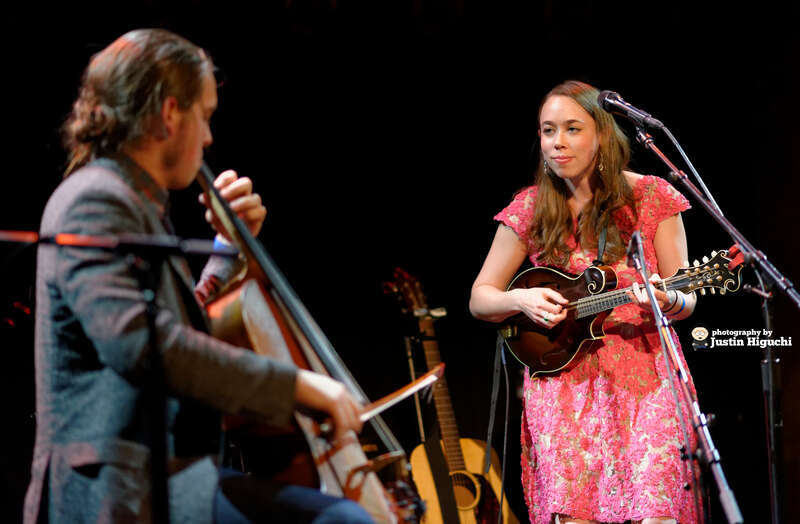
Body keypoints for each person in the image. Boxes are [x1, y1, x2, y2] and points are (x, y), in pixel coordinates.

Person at [24, 29, 373, 523]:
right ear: (170, 113)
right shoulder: (94, 199)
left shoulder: (133, 203)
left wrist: (229, 250)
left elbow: (177, 326)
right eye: (205, 116)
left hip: (165, 477)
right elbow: (144, 345)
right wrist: (299, 385)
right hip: (116, 490)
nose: (209, 137)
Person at [469, 80, 699, 524]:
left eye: (572, 129)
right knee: (577, 515)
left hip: (646, 377)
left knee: (657, 509)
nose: (557, 142)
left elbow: (685, 296)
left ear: (602, 134)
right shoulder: (531, 206)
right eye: (548, 130)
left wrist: (666, 298)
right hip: (563, 382)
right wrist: (522, 297)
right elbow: (481, 298)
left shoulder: (652, 196)